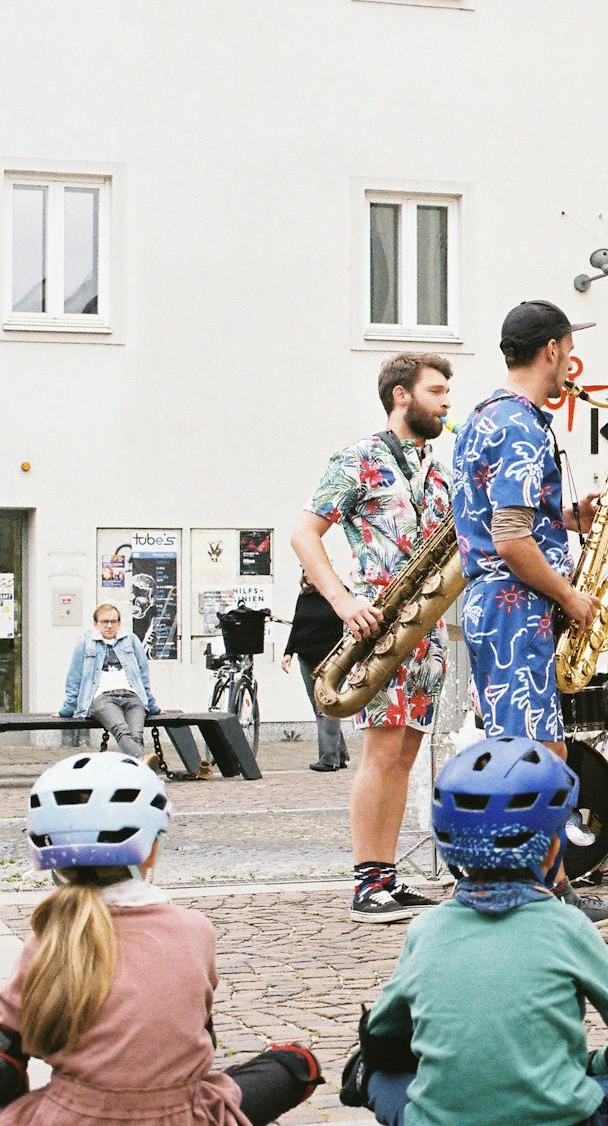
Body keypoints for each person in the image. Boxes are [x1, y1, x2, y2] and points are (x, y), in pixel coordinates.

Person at [345, 737, 608, 1125]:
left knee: (376, 1073)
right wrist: (600, 1067)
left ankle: (365, 1079)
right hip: (559, 1115)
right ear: (553, 850)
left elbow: (381, 1040)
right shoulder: (566, 925)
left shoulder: (427, 929)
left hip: (435, 1119)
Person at [0, 754, 322, 1123]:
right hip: (182, 1115)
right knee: (297, 1064)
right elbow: (199, 1038)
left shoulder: (49, 938)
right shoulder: (194, 930)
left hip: (70, 1115)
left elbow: (7, 1057)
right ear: (151, 849)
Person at [452, 301, 608, 928]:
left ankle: (545, 888)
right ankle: (538, 895)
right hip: (516, 606)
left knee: (530, 750)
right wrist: (571, 596)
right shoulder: (522, 426)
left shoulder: (484, 416)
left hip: (499, 604)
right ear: (552, 350)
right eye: (568, 352)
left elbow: (500, 519)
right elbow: (510, 539)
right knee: (534, 756)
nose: (570, 366)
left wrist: (565, 518)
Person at [291, 351, 453, 924]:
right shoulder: (358, 458)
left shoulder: (440, 471)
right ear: (401, 395)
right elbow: (304, 535)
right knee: (381, 753)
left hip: (425, 631)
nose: (447, 402)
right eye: (436, 391)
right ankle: (367, 882)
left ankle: (386, 877)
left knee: (404, 755)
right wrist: (342, 599)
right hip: (377, 624)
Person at [59, 604, 160, 761]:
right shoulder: (85, 642)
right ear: (95, 623)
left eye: (113, 621)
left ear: (119, 623)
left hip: (133, 696)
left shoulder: (131, 640)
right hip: (103, 698)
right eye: (104, 621)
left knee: (136, 735)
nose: (109, 626)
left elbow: (143, 676)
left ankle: (138, 767)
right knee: (121, 730)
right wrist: (67, 709)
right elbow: (74, 677)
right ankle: (142, 761)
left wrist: (152, 706)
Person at [281, 572, 352, 772]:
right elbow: (297, 625)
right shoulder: (304, 596)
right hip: (306, 657)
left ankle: (328, 759)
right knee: (319, 706)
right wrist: (288, 652)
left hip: (333, 659)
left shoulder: (340, 594)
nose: (307, 574)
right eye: (304, 571)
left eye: (310, 570)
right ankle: (340, 755)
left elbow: (348, 624)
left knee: (326, 705)